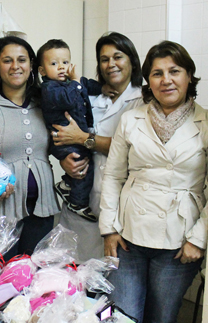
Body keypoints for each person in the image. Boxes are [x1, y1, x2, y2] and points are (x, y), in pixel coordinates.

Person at [99, 40, 206, 323]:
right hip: (127, 234)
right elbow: (113, 175)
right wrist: (108, 228)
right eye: (157, 73)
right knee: (123, 315)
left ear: (188, 76)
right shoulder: (131, 118)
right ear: (148, 80)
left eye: (174, 71)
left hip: (179, 238)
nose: (166, 80)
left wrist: (199, 239)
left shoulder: (205, 122)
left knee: (162, 316)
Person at [52, 32, 144, 262]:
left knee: (114, 278)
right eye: (104, 59)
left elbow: (133, 149)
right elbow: (58, 130)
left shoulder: (144, 100)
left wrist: (83, 138)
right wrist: (64, 158)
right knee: (74, 272)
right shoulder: (90, 97)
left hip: (123, 203)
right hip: (83, 197)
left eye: (118, 57)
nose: (111, 64)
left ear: (132, 61)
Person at [0, 36, 60, 257]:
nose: (16, 66)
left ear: (32, 66)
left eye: (22, 60)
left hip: (41, 210)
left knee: (36, 280)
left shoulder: (45, 104)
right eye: (7, 60)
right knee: (1, 284)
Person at [37, 39, 113, 221]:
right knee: (83, 166)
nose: (61, 67)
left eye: (65, 62)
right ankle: (77, 203)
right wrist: (77, 82)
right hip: (63, 139)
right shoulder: (49, 88)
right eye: (54, 64)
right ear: (42, 70)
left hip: (75, 137)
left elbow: (87, 83)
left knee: (85, 165)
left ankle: (66, 185)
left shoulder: (71, 82)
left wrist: (102, 88)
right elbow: (70, 98)